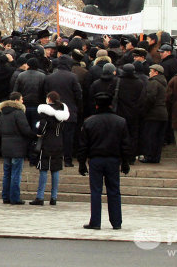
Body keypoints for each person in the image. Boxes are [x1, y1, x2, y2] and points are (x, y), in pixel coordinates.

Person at [78, 92, 130, 230]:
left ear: (96, 106)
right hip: (113, 160)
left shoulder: (89, 122)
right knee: (114, 191)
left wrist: (82, 163)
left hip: (95, 160)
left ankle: (95, 222)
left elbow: (83, 146)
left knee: (96, 191)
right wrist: (125, 162)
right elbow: (125, 145)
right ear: (111, 105)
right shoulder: (120, 121)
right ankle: (116, 222)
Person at [30, 91, 69, 206]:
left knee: (43, 168)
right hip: (58, 142)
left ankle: (40, 196)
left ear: (48, 99)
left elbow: (41, 129)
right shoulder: (63, 113)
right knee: (55, 169)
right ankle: (54, 197)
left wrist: (38, 128)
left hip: (46, 142)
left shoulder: (45, 112)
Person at [44, 56, 83, 167]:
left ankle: (54, 158)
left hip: (53, 111)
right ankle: (67, 160)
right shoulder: (73, 77)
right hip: (69, 111)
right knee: (68, 137)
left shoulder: (50, 77)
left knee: (54, 135)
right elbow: (78, 94)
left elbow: (46, 94)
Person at [0, 92, 34, 205]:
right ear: (17, 100)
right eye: (21, 99)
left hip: (6, 146)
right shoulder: (18, 113)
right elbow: (25, 129)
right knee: (16, 173)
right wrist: (33, 135)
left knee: (7, 173)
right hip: (17, 147)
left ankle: (5, 196)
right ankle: (15, 197)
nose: (22, 101)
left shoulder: (3, 113)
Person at [140, 65, 168, 163]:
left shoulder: (153, 82)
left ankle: (149, 157)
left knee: (150, 136)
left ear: (156, 72)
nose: (149, 73)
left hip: (153, 114)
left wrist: (144, 110)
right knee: (159, 137)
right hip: (163, 113)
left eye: (151, 71)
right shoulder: (164, 83)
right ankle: (156, 157)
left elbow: (150, 97)